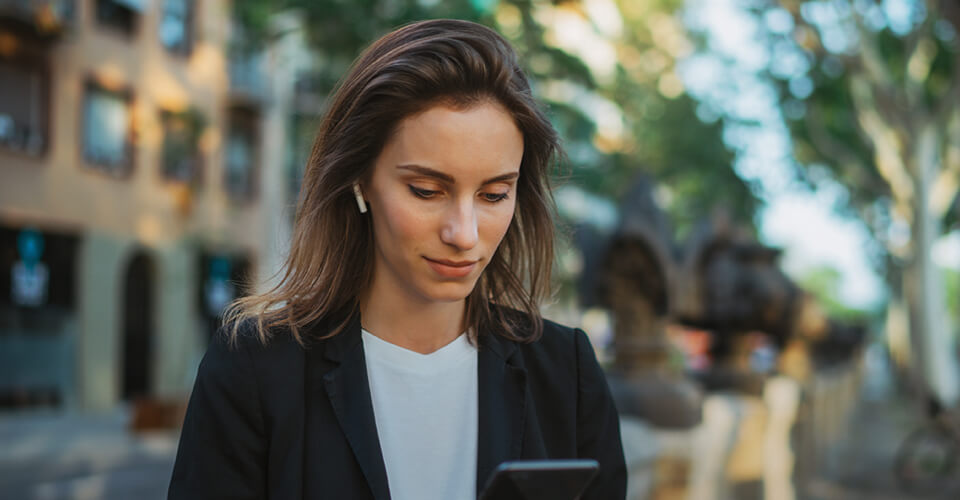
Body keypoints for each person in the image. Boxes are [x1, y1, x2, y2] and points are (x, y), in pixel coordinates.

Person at [168, 19, 626, 500]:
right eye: (426, 191)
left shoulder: (566, 373)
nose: (464, 234)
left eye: (494, 195)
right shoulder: (254, 370)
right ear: (360, 179)